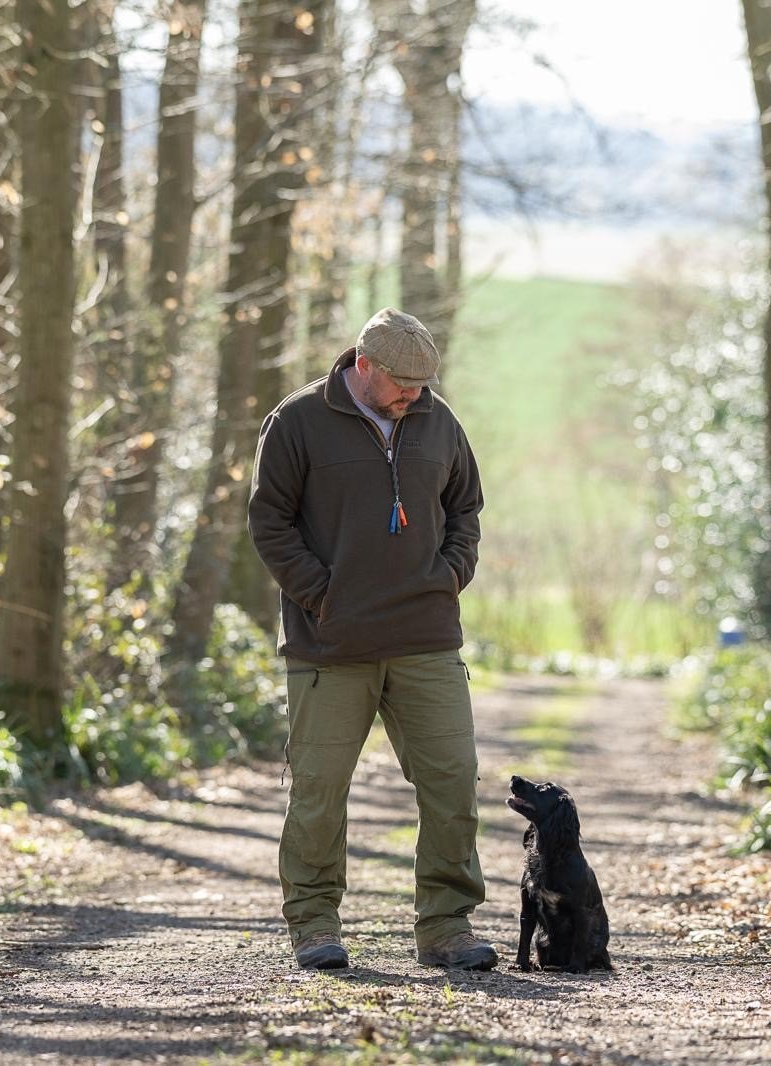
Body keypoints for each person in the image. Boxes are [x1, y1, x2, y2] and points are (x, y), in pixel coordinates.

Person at [247, 306, 494, 971]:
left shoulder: (438, 422)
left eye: (423, 384)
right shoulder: (295, 422)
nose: (416, 396)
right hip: (329, 645)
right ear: (364, 366)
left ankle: (446, 927)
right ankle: (314, 924)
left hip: (427, 637)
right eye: (403, 385)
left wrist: (450, 574)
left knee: (453, 780)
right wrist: (321, 594)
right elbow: (269, 521)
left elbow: (466, 507)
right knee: (319, 790)